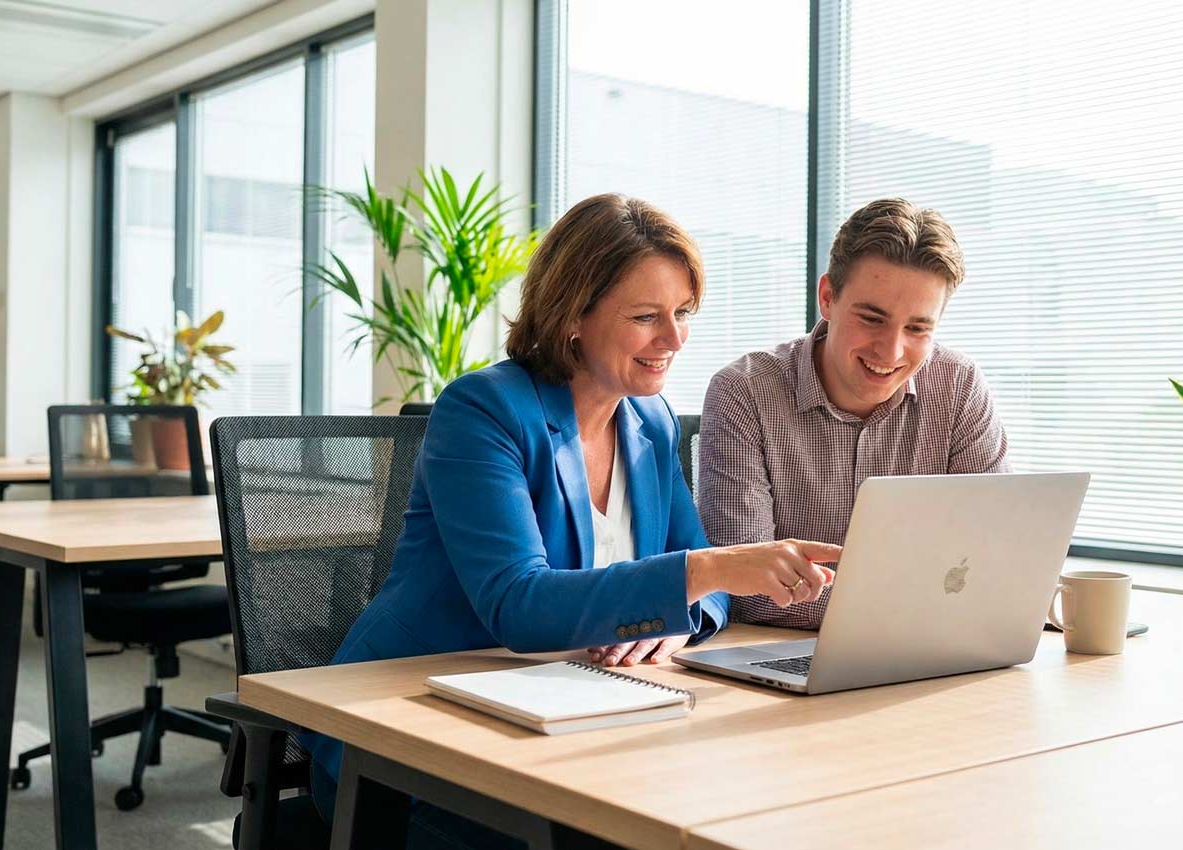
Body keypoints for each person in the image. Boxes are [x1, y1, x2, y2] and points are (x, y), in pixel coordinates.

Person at [303, 193, 840, 847]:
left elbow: (711, 592)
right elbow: (520, 604)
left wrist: (668, 628)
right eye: (647, 316)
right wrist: (707, 572)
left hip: (572, 712)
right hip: (411, 733)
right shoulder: (484, 410)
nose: (674, 339)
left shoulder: (649, 421)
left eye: (682, 313)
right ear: (572, 317)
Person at [698, 198, 1008, 630]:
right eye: (872, 318)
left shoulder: (959, 387)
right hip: (788, 655)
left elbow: (994, 558)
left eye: (917, 328)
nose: (892, 350)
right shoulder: (745, 391)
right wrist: (924, 607)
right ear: (827, 297)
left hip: (930, 653)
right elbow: (747, 589)